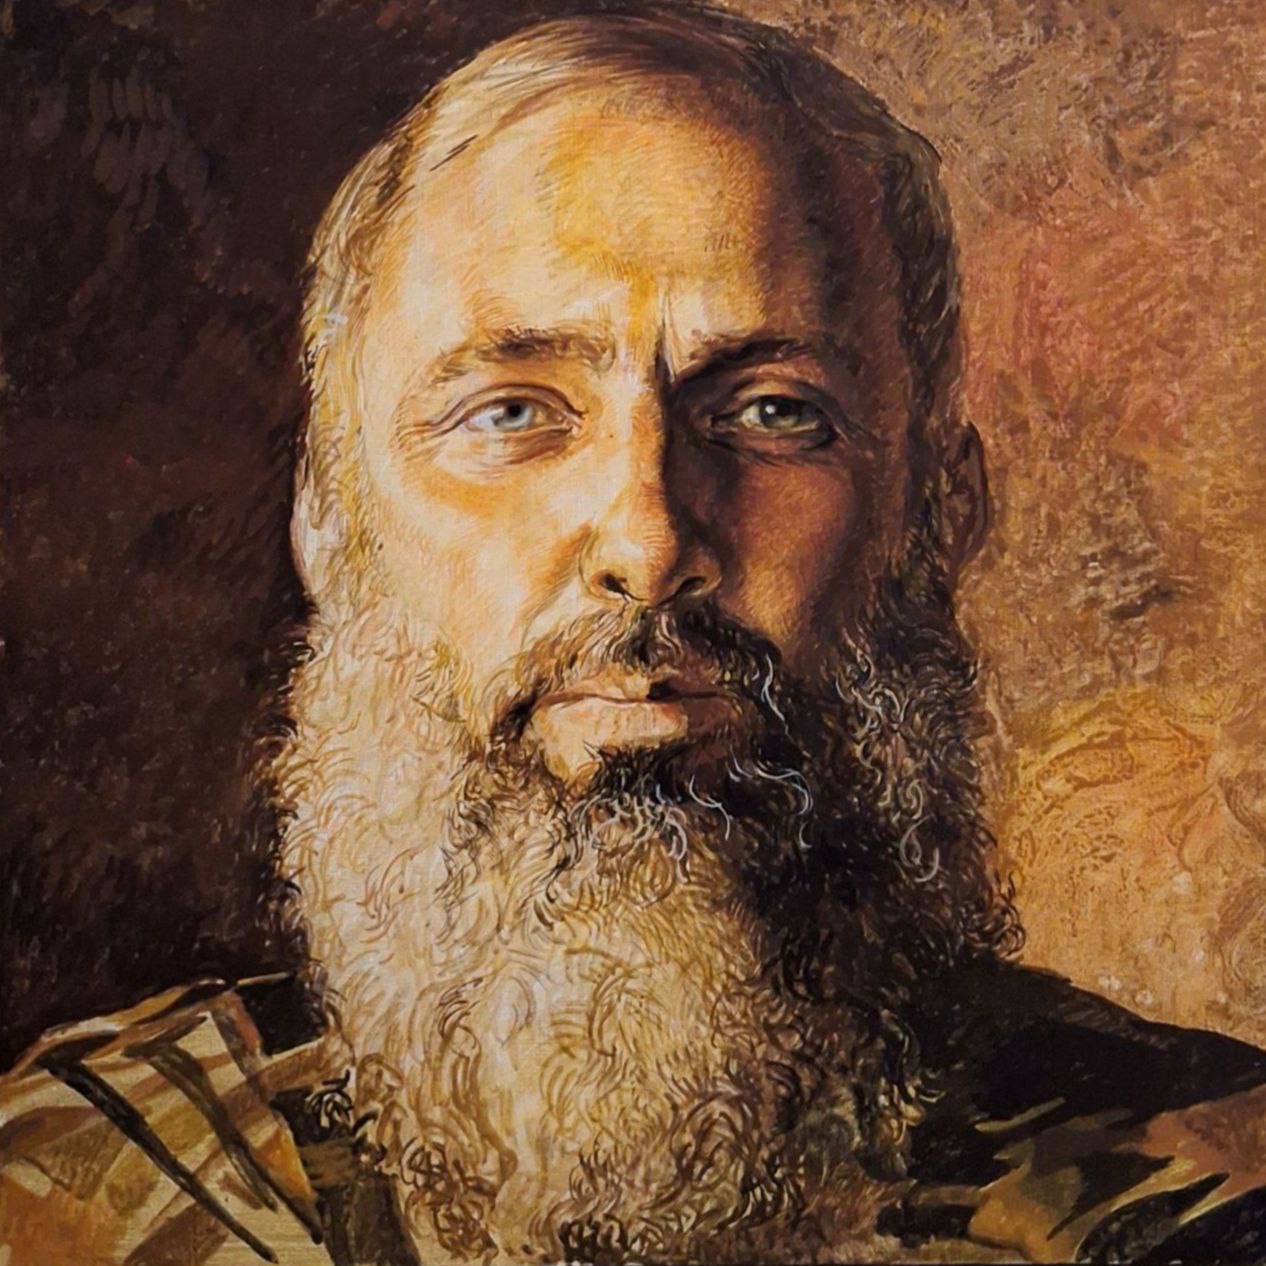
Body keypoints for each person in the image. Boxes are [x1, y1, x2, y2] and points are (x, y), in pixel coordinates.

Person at [4, 6, 1266, 1264]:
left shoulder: (1214, 1196)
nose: (650, 541)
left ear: (939, 516)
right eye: (511, 413)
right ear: (329, 525)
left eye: (774, 411)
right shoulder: (72, 1190)